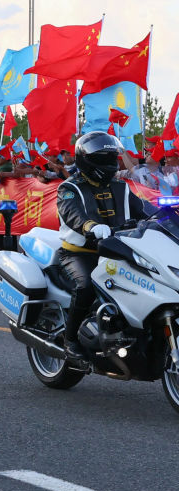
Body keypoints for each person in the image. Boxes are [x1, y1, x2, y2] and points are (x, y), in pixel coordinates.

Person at [57, 132, 153, 359]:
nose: (110, 162)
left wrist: (166, 215)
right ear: (87, 160)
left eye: (112, 157)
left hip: (117, 251)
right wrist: (90, 226)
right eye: (103, 158)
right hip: (80, 253)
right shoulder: (69, 188)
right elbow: (73, 214)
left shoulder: (121, 187)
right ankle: (70, 340)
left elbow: (144, 210)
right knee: (86, 287)